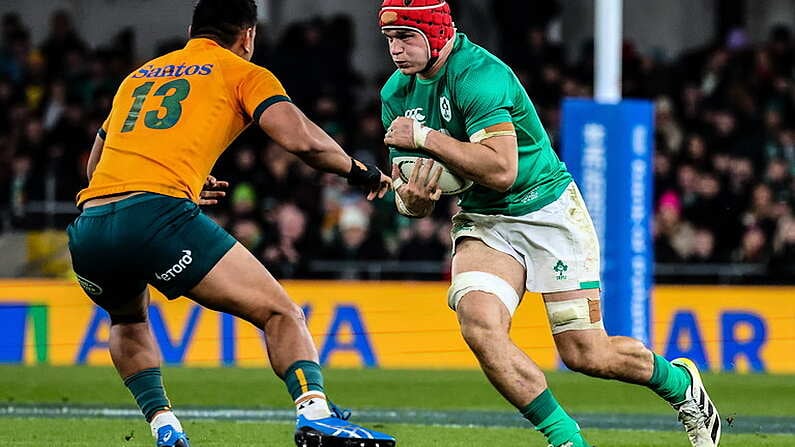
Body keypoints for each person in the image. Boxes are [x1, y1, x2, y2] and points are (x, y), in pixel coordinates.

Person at [378, 1, 720, 446]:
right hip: (485, 219)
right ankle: (566, 439)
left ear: (437, 33)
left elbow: (502, 170)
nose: (396, 51)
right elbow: (410, 194)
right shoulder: (395, 94)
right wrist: (413, 202)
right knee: (478, 324)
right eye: (390, 40)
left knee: (586, 354)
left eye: (407, 38)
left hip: (547, 211)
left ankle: (679, 383)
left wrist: (424, 137)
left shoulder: (479, 75)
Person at [67, 1, 396, 447]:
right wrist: (361, 171)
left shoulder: (138, 77)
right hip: (157, 216)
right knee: (280, 313)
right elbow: (300, 139)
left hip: (91, 225)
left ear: (191, 30)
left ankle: (164, 425)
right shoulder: (241, 71)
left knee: (127, 320)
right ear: (248, 36)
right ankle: (315, 412)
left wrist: (177, 183)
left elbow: (94, 167)